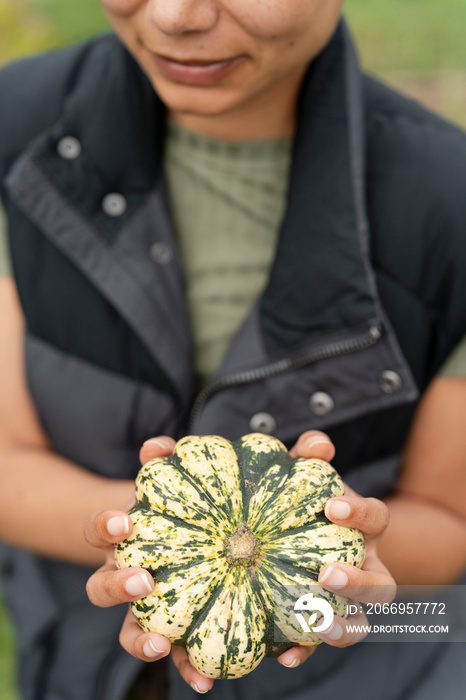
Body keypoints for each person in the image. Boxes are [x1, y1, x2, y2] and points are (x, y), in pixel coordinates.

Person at [0, 1, 466, 699]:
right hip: (78, 662)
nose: (174, 16)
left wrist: (328, 562)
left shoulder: (449, 203)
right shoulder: (20, 125)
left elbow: (450, 523)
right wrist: (171, 540)